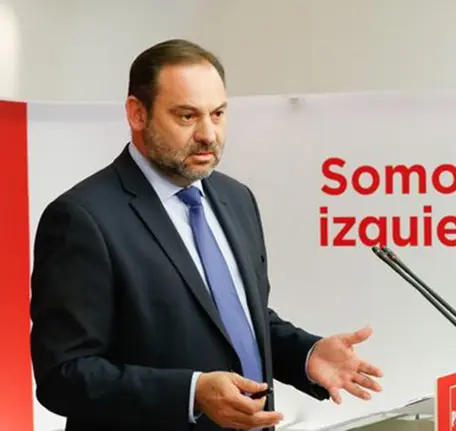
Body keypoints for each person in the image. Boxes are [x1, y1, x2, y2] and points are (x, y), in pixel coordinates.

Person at [29, 39, 383, 431]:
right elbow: (63, 375)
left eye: (218, 114)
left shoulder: (235, 198)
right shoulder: (83, 218)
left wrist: (305, 354)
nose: (208, 134)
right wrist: (191, 392)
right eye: (186, 116)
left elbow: (237, 322)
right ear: (137, 113)